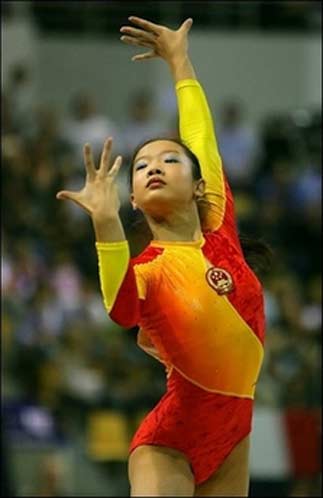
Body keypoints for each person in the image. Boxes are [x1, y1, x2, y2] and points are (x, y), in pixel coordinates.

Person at [57, 16, 270, 497]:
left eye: (169, 160)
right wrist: (105, 224)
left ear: (199, 186)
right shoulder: (150, 271)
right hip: (168, 443)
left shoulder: (220, 229)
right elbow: (120, 308)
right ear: (131, 196)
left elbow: (200, 137)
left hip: (235, 439)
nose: (154, 166)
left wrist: (180, 62)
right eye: (142, 165)